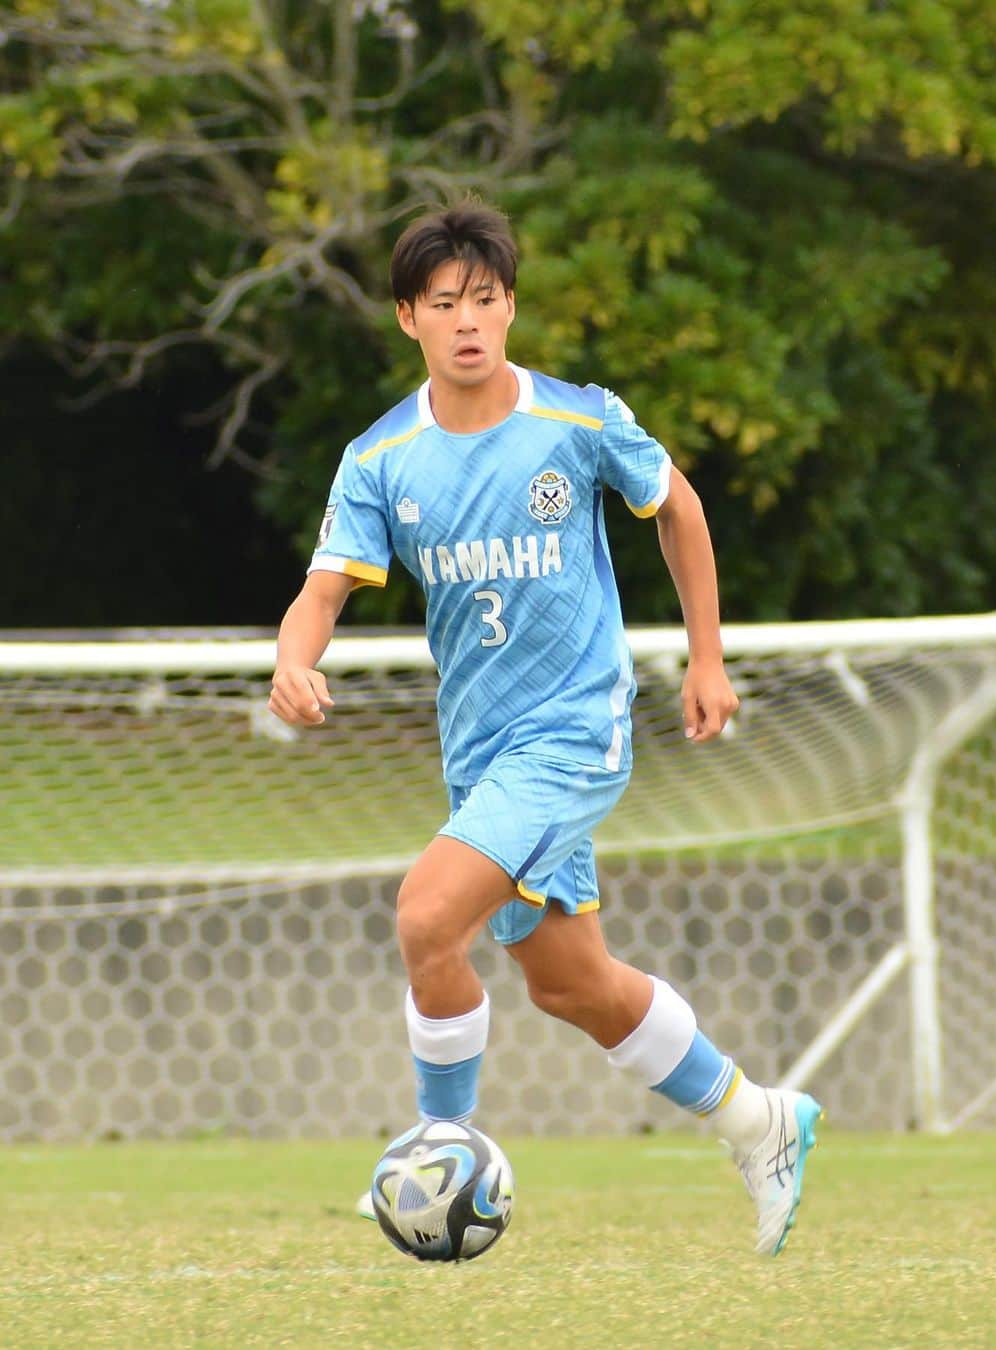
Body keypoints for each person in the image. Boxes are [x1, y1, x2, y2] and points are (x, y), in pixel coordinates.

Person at [268, 201, 821, 1256]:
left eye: (486, 299)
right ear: (407, 319)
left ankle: (442, 1144)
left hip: (575, 733)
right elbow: (324, 589)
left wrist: (707, 658)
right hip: (481, 755)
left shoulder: (578, 420)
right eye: (445, 304)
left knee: (429, 915)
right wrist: (294, 658)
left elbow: (679, 509)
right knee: (573, 985)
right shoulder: (382, 458)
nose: (469, 321)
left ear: (510, 305)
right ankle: (763, 1120)